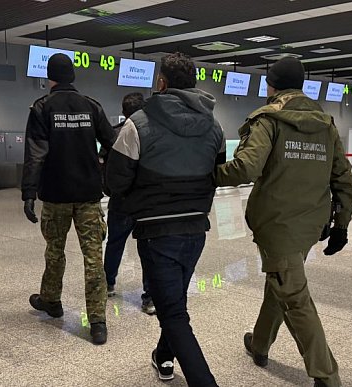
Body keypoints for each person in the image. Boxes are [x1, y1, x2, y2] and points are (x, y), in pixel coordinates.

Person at [214, 57, 352, 387]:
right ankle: (260, 344)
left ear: (271, 85)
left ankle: (326, 376)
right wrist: (342, 224)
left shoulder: (269, 119)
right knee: (280, 281)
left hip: (277, 225)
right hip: (310, 225)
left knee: (294, 296)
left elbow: (246, 167)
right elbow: (343, 178)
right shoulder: (325, 123)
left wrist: (210, 175)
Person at [107, 52, 224, 386]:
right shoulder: (214, 127)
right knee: (176, 300)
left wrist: (137, 203)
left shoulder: (138, 123)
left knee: (173, 312)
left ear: (161, 82)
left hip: (157, 230)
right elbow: (215, 174)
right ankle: (163, 356)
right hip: (195, 228)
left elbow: (115, 181)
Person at [21, 53, 117, 345]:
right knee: (93, 257)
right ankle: (97, 321)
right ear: (72, 76)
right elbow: (113, 143)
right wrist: (100, 164)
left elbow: (36, 154)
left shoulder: (42, 108)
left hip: (56, 195)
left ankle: (52, 300)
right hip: (88, 195)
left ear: (49, 77)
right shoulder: (92, 106)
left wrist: (28, 192)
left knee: (55, 251)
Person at [99, 92, 155, 315]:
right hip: (146, 202)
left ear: (123, 111)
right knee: (148, 249)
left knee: (115, 244)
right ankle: (149, 298)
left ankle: (108, 284)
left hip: (121, 200)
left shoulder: (114, 133)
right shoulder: (153, 132)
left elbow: (103, 163)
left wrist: (109, 190)